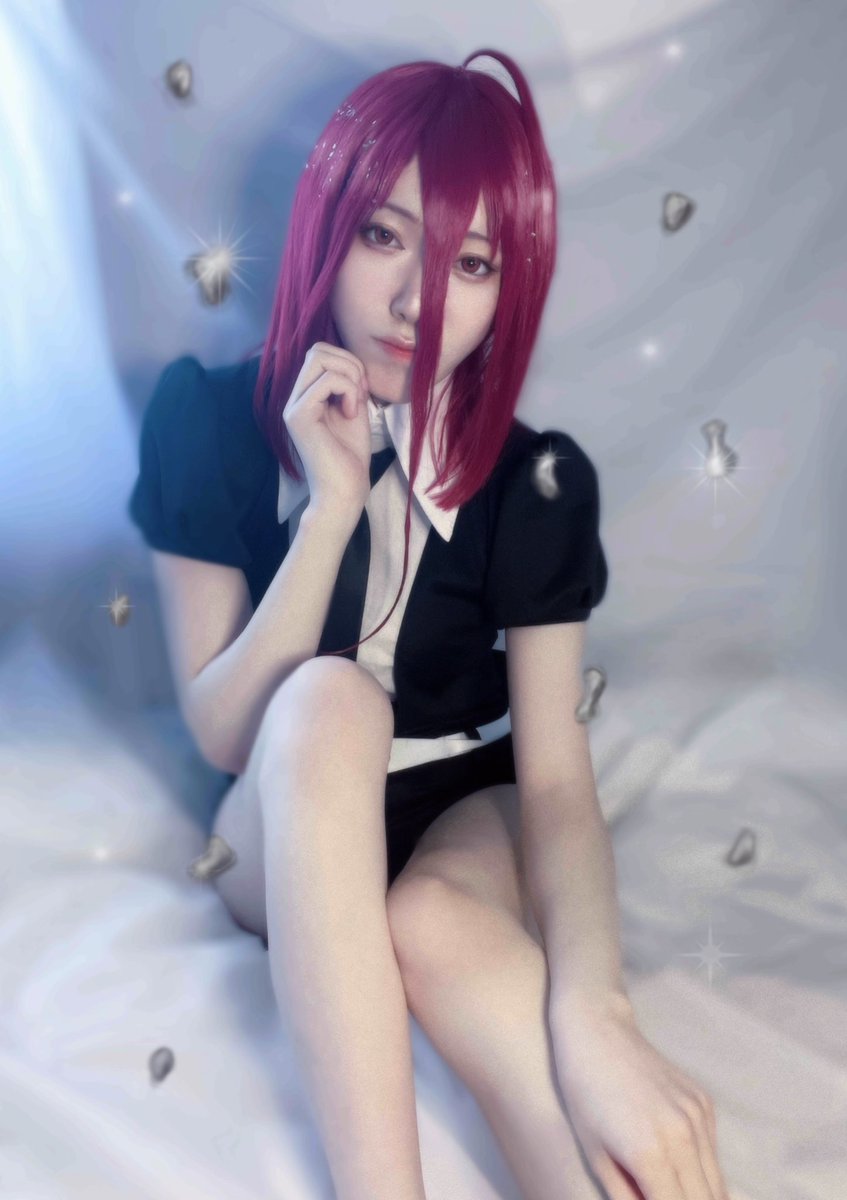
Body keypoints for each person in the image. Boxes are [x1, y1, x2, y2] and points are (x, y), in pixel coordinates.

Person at [128, 48, 730, 1200]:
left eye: (473, 261)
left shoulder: (536, 481)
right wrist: (328, 512)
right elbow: (222, 733)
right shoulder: (206, 422)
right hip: (282, 808)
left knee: (442, 927)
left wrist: (597, 1017)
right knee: (328, 699)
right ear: (329, 226)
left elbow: (552, 780)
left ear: (511, 287)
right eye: (385, 236)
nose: (420, 300)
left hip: (462, 800)